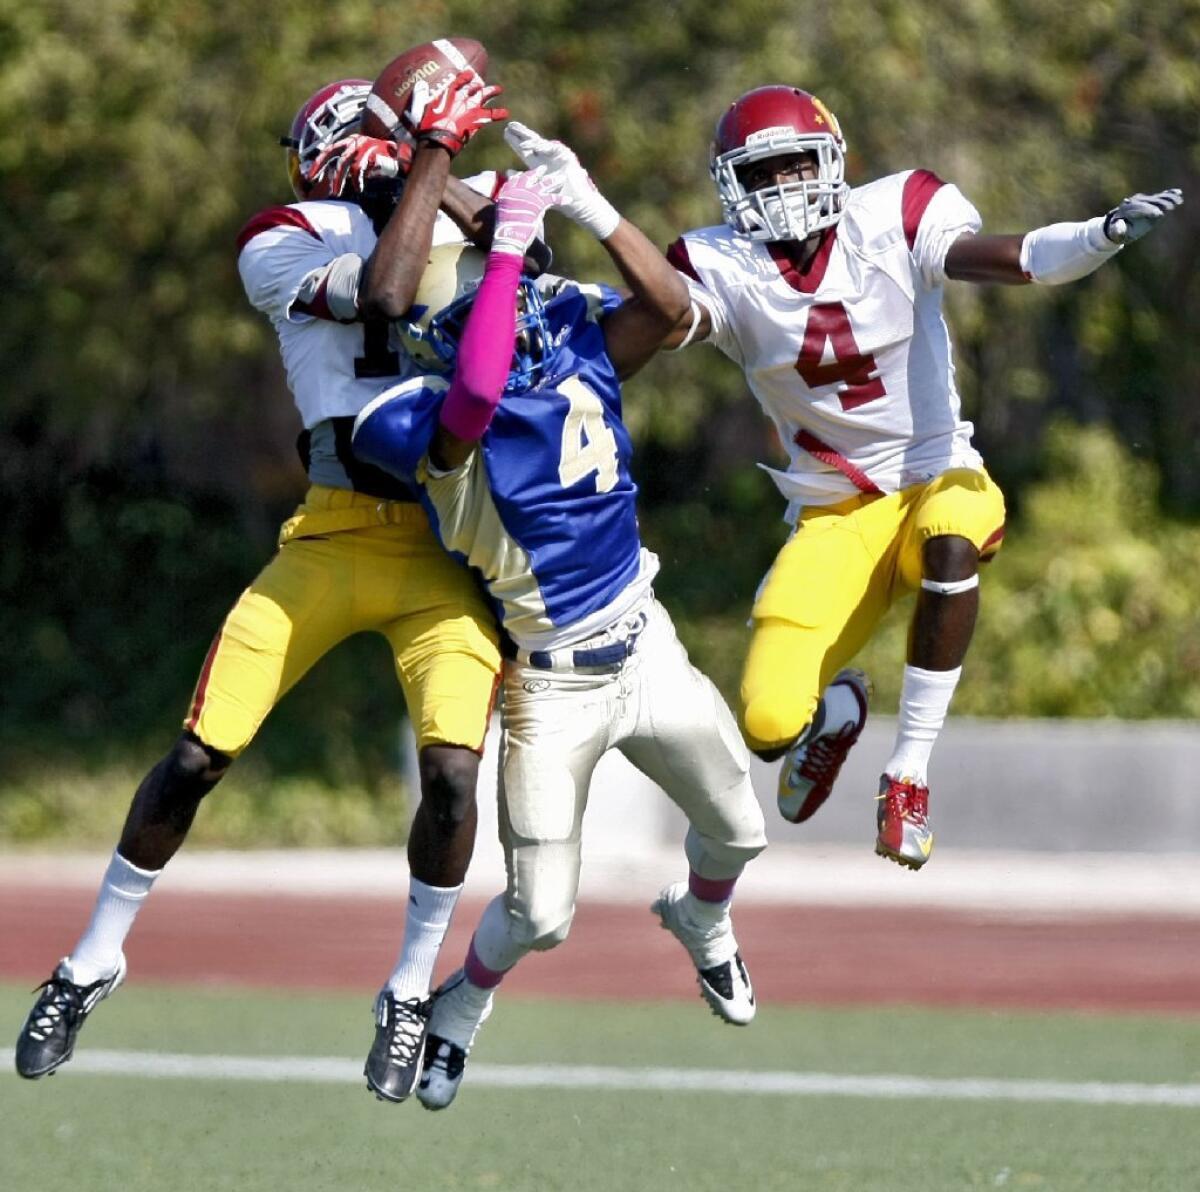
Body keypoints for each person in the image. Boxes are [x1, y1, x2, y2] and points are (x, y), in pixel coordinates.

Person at [15, 64, 511, 1104]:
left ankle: (411, 984)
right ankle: (95, 955)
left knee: (457, 781)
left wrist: (454, 169)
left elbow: (528, 251)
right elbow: (385, 288)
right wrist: (430, 154)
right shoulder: (281, 233)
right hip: (331, 535)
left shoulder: (439, 198)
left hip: (447, 549)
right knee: (199, 753)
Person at [623, 84, 1181, 870]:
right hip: (835, 513)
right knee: (768, 722)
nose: (784, 189)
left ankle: (909, 772)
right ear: (733, 187)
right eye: (764, 174)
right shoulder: (717, 261)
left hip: (933, 473)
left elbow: (1014, 259)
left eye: (794, 167)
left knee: (955, 539)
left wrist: (1098, 233)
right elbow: (656, 318)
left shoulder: (894, 214)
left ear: (830, 162)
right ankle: (838, 709)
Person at [351, 132, 768, 1111]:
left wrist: (585, 202)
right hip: (554, 683)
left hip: (645, 640)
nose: (530, 308)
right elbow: (483, 383)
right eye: (501, 301)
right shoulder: (417, 420)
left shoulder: (569, 336)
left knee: (740, 832)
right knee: (540, 915)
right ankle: (461, 1005)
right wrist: (501, 254)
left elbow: (669, 310)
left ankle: (702, 924)